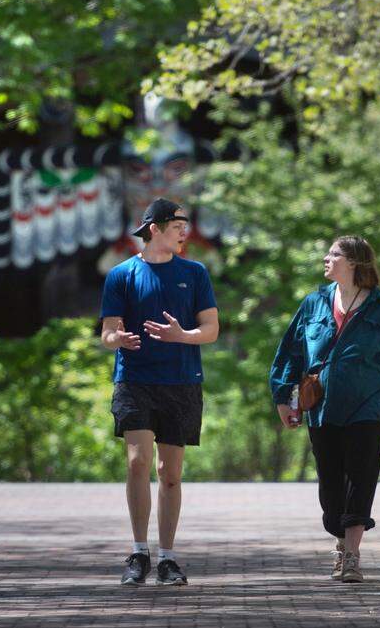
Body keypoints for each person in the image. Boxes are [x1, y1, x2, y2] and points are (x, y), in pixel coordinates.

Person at [270, 236, 380, 584]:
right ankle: (341, 542)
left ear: (354, 263)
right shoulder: (313, 304)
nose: (326, 259)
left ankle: (352, 556)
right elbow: (289, 353)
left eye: (334, 254)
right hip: (323, 409)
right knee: (331, 486)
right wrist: (284, 397)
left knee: (361, 475)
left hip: (368, 406)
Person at [100, 198, 219, 586]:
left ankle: (168, 558)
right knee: (137, 463)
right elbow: (107, 333)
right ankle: (139, 552)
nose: (185, 232)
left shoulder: (196, 273)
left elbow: (211, 330)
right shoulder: (121, 274)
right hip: (134, 381)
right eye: (177, 226)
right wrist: (120, 338)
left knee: (169, 473)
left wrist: (183, 336)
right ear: (155, 228)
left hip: (182, 383)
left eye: (185, 225)